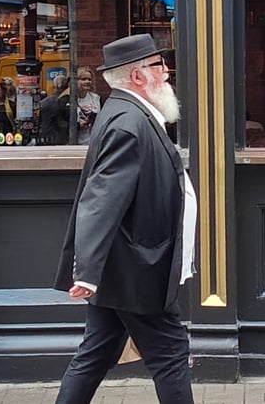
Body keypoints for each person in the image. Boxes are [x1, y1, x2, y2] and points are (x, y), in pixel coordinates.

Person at [54, 33, 197, 404]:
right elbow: (101, 199)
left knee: (96, 353)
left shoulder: (129, 114)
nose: (166, 72)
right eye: (158, 65)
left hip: (124, 267)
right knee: (171, 354)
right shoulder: (127, 123)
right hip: (135, 269)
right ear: (137, 76)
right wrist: (86, 269)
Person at [39, 74, 69, 145]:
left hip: (45, 137)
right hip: (61, 139)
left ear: (54, 87)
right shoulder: (66, 101)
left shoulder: (44, 102)